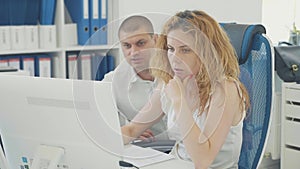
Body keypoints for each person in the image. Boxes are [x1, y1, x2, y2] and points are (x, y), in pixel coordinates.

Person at [121, 10, 250, 169]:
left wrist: (179, 101)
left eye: (186, 50)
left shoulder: (225, 90)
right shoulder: (170, 82)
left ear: (207, 52)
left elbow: (202, 161)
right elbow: (132, 129)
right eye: (171, 49)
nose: (175, 58)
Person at [102, 15, 168, 140]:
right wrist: (125, 128)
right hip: (146, 149)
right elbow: (97, 119)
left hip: (183, 150)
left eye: (141, 43)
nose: (134, 52)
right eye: (127, 45)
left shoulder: (176, 70)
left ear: (155, 39)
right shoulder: (113, 81)